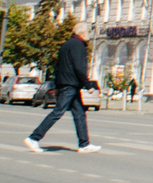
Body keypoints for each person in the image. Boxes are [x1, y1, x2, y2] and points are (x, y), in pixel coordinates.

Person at [23, 23, 99, 153]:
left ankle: (84, 144)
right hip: (71, 85)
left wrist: (58, 85)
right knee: (58, 112)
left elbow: (58, 67)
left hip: (67, 84)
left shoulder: (66, 45)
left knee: (79, 113)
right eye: (89, 33)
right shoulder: (79, 46)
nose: (90, 36)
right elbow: (79, 67)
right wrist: (88, 85)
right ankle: (34, 138)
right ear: (83, 33)